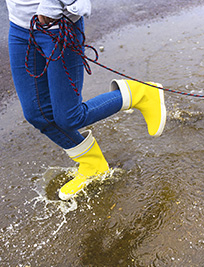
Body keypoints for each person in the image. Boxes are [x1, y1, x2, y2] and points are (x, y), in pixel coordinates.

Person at [6, 0, 167, 200]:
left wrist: (50, 6)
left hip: (57, 23)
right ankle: (93, 165)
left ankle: (140, 93)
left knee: (69, 117)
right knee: (36, 113)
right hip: (20, 27)